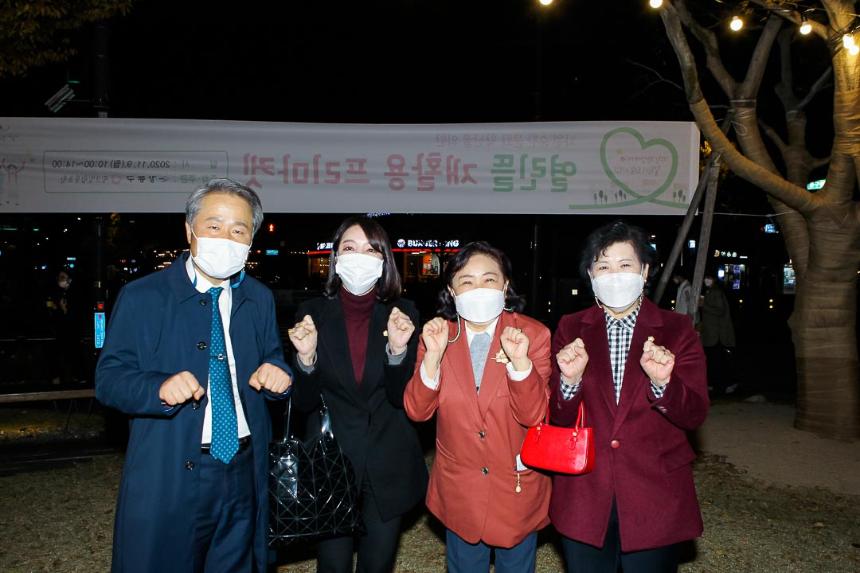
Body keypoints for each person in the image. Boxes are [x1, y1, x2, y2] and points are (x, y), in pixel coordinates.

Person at [95, 178, 293, 573]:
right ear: (189, 230)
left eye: (239, 230)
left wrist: (281, 375)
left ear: (251, 240)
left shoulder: (259, 298)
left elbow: (273, 359)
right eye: (214, 226)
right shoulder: (143, 296)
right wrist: (158, 387)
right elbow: (109, 379)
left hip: (243, 469)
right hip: (169, 469)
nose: (226, 237)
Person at [549, 220, 709, 573]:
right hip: (585, 493)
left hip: (656, 493)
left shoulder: (677, 330)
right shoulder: (571, 328)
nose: (614, 275)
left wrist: (664, 383)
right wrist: (569, 381)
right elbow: (556, 418)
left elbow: (694, 414)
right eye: (603, 266)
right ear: (590, 274)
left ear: (645, 270)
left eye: (625, 265)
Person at [287, 216, 427, 573]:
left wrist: (397, 351)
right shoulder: (312, 313)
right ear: (335, 258)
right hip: (332, 462)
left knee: (376, 565)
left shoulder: (403, 314)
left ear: (384, 261)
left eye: (370, 249)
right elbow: (303, 403)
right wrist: (306, 359)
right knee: (332, 565)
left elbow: (402, 399)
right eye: (349, 248)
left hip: (387, 462)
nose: (359, 256)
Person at [404, 241, 552, 573]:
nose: (478, 289)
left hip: (515, 489)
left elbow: (533, 415)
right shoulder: (440, 335)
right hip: (459, 491)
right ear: (452, 291)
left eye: (489, 279)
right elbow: (417, 411)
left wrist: (520, 365)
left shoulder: (532, 334)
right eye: (466, 281)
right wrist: (431, 358)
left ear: (505, 285)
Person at [700, 273, 737, 394]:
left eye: (709, 278)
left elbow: (720, 310)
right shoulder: (710, 291)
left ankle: (724, 385)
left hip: (717, 334)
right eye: (706, 278)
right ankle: (717, 384)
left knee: (718, 361)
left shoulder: (716, 292)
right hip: (713, 334)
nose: (706, 280)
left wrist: (703, 305)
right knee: (715, 360)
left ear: (714, 279)